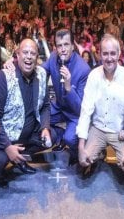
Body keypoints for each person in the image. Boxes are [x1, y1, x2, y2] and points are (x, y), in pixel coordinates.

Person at [0, 38, 55, 188]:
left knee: (52, 136)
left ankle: (20, 159)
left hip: (27, 134)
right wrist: (7, 147)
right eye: (25, 52)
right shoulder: (3, 77)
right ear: (17, 54)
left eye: (33, 53)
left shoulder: (42, 74)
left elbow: (45, 106)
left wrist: (45, 127)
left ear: (37, 57)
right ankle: (5, 164)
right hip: (4, 136)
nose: (29, 56)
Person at [76, 34, 124, 179]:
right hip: (97, 128)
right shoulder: (93, 76)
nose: (109, 58)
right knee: (84, 161)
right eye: (105, 53)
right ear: (99, 55)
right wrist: (80, 147)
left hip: (118, 131)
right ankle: (98, 154)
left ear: (119, 54)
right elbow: (86, 111)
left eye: (112, 53)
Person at [43, 28, 91, 162]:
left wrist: (69, 88)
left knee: (70, 139)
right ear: (55, 47)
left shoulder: (84, 70)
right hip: (59, 107)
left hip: (75, 113)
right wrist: (18, 64)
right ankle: (59, 135)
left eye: (66, 44)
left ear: (73, 46)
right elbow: (40, 71)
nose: (63, 49)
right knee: (38, 119)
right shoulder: (53, 57)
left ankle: (76, 153)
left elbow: (80, 109)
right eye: (59, 45)